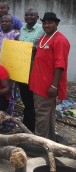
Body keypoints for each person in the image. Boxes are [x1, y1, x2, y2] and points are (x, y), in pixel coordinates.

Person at [29, 12, 70, 141]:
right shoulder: (43, 37)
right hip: (38, 82)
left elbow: (60, 65)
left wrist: (54, 85)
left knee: (41, 114)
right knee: (48, 113)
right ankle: (49, 140)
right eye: (44, 22)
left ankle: (40, 143)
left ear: (56, 24)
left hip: (47, 85)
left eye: (50, 22)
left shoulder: (60, 40)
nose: (46, 25)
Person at [18, 8, 45, 132]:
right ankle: (27, 126)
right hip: (22, 69)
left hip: (35, 68)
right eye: (26, 15)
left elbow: (44, 47)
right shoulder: (22, 30)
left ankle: (33, 127)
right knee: (26, 98)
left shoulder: (42, 29)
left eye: (32, 15)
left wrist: (34, 49)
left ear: (37, 16)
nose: (29, 17)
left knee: (34, 100)